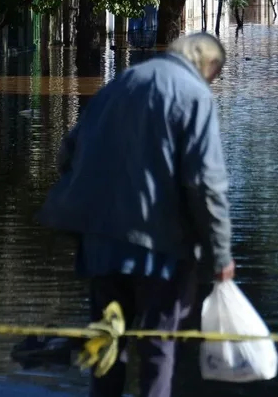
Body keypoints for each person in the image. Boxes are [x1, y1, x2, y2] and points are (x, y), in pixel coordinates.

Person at [37, 32, 234, 397]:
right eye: (214, 75)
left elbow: (67, 153)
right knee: (157, 346)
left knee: (108, 343)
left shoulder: (121, 84)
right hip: (159, 250)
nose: (211, 82)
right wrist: (220, 255)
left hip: (101, 244)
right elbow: (206, 184)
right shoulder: (194, 95)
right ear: (207, 64)